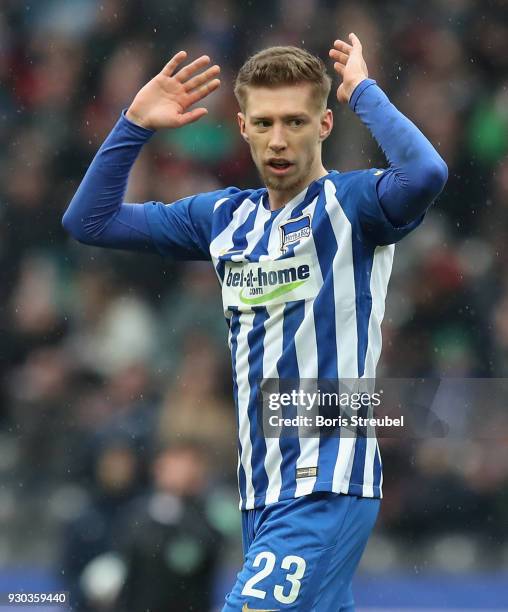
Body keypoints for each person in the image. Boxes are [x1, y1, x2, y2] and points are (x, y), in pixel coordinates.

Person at [63, 33, 447, 611]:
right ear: (241, 126)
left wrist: (361, 92)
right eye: (263, 123)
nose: (278, 139)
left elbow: (425, 173)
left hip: (325, 481)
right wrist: (134, 124)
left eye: (295, 121)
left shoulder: (352, 206)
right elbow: (89, 220)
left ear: (324, 125)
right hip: (260, 492)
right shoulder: (223, 217)